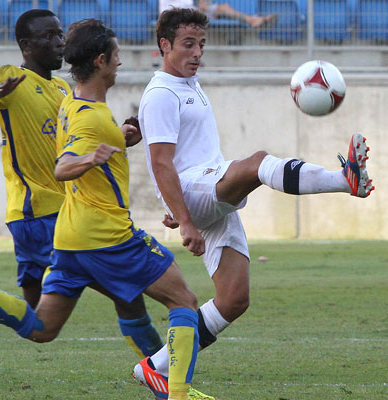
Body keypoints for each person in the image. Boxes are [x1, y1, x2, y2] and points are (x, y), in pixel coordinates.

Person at [0, 18, 200, 400]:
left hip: (67, 225)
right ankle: (169, 385)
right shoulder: (15, 80)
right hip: (52, 218)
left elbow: (83, 139)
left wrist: (118, 139)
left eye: (61, 35)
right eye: (48, 35)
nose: (58, 41)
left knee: (42, 326)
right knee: (161, 299)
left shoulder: (68, 94)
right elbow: (65, 162)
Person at [133, 7, 374, 396]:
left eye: (202, 44)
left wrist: (183, 209)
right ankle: (343, 180)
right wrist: (186, 217)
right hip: (197, 189)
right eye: (188, 45)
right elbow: (160, 163)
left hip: (202, 191)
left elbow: (175, 155)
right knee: (257, 164)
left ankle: (156, 367)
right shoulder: (161, 93)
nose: (197, 53)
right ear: (165, 45)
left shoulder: (188, 84)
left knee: (233, 299)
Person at [160, 0, 277, 28]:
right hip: (177, 14)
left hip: (191, 10)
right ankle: (253, 20)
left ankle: (252, 20)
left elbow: (203, 6)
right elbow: (202, 5)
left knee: (224, 8)